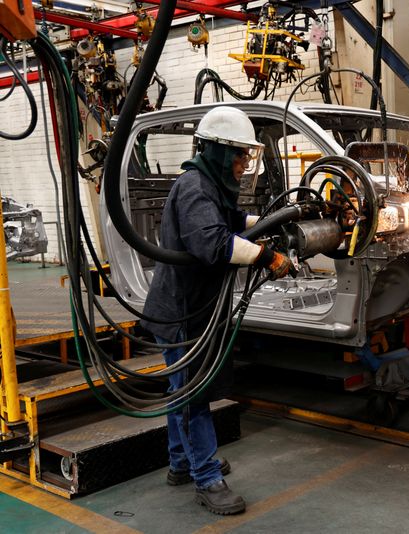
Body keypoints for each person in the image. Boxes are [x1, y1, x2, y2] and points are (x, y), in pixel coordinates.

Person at [141, 106, 291, 515]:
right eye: (240, 155)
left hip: (194, 309)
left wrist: (279, 221)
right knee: (192, 397)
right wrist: (267, 257)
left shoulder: (209, 185)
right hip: (181, 314)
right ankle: (206, 477)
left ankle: (179, 464)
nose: (244, 163)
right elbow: (215, 243)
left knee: (182, 391)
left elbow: (235, 220)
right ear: (219, 152)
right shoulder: (194, 188)